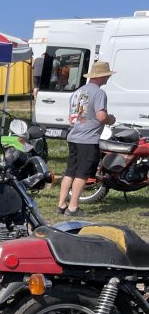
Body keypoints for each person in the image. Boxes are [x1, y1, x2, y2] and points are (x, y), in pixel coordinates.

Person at [57, 60, 116, 215]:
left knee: (70, 172)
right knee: (82, 174)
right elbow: (101, 116)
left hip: (74, 135)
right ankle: (73, 207)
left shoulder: (77, 92)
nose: (108, 79)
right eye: (107, 76)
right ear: (102, 77)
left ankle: (61, 204)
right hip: (88, 139)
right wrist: (111, 119)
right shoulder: (99, 93)